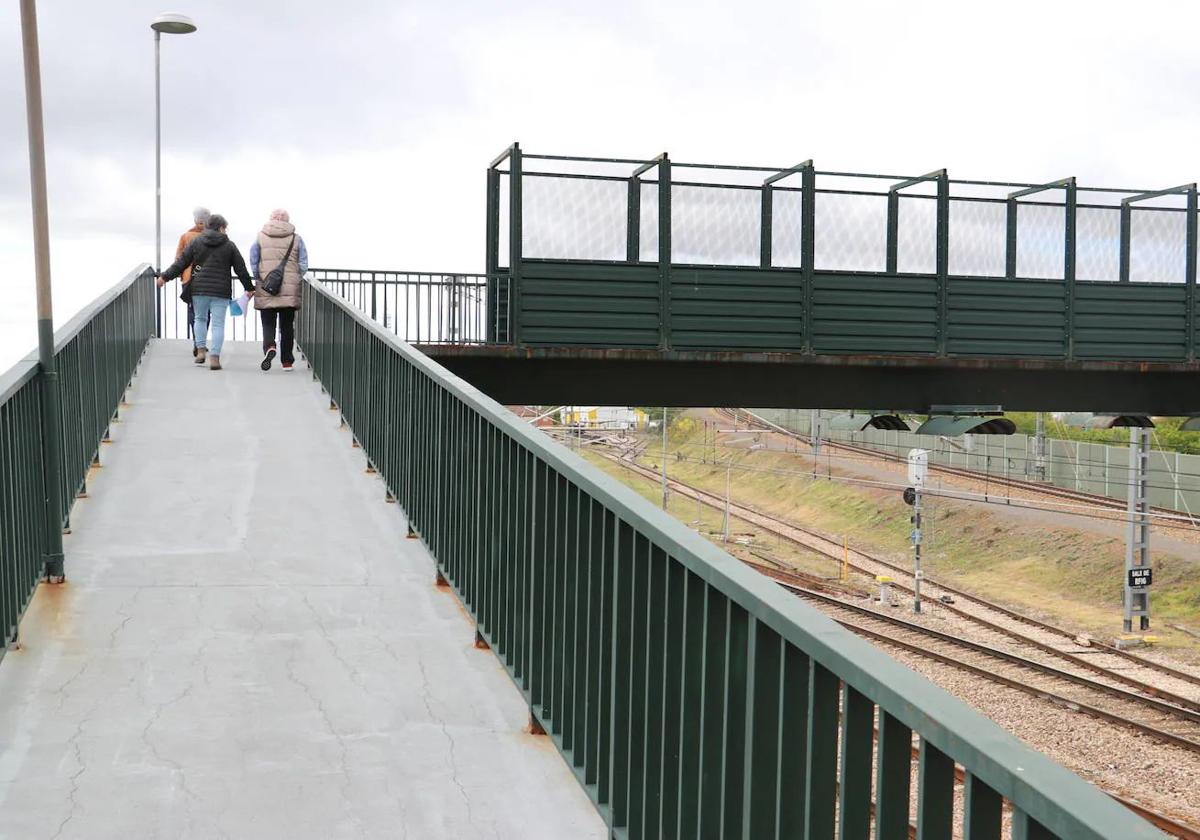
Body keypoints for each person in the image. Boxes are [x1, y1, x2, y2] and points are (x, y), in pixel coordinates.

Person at [157, 214, 254, 370]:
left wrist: (164, 277)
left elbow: (181, 263)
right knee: (218, 324)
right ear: (221, 227)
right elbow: (241, 269)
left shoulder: (196, 242)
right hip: (221, 291)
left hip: (199, 288)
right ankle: (214, 358)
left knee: (200, 319)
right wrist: (249, 288)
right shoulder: (230, 245)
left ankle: (201, 351)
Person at [250, 209, 307, 372]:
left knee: (268, 322)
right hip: (289, 288)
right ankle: (287, 362)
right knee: (287, 325)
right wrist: (294, 278)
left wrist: (260, 277)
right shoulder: (297, 238)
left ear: (271, 219)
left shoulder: (260, 236)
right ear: (287, 220)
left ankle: (269, 347)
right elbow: (303, 264)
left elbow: (253, 260)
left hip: (266, 286)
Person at [176, 206, 210, 353]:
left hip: (189, 278)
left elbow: (178, 258)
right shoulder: (214, 237)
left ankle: (197, 341)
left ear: (195, 219)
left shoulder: (185, 236)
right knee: (206, 312)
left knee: (193, 311)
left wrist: (180, 275)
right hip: (209, 278)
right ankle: (201, 341)